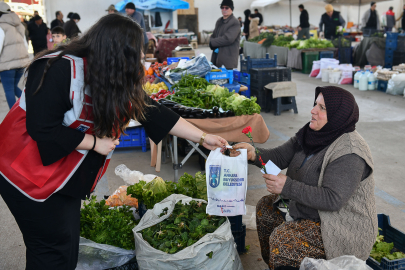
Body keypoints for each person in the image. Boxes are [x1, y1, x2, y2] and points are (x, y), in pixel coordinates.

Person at [0, 14, 228, 270]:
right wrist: (94, 143)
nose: (141, 60)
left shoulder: (111, 75)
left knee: (66, 248)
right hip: (24, 175)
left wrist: (203, 137)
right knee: (51, 252)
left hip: (62, 179)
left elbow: (152, 111)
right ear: (117, 52)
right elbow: (41, 128)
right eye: (137, 53)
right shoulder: (57, 68)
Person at [231, 86, 377, 270]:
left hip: (338, 226)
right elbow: (280, 157)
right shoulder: (312, 133)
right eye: (315, 104)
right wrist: (253, 154)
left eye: (322, 108)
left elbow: (333, 199)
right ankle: (275, 265)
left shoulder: (349, 152)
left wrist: (287, 186)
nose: (313, 110)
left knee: (283, 241)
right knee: (265, 209)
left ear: (338, 115)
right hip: (312, 211)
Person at [0, 2, 30, 109]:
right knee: (13, 87)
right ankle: (30, 103)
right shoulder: (19, 25)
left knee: (8, 90)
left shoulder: (1, 26)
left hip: (7, 64)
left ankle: (13, 114)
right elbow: (25, 45)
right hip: (21, 63)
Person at [209, 0, 240, 69]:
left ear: (231, 9)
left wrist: (213, 42)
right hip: (216, 57)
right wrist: (211, 41)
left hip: (227, 59)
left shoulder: (235, 22)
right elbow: (213, 35)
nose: (224, 9)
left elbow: (228, 39)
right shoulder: (219, 21)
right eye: (222, 7)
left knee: (226, 78)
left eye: (227, 8)